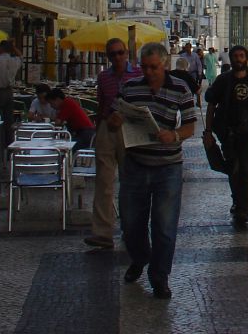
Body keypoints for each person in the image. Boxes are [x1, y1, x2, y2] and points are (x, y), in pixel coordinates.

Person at [107, 42, 198, 300]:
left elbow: (191, 125)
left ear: (165, 64)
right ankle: (140, 256)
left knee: (164, 226)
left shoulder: (180, 88)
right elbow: (115, 117)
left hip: (168, 166)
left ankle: (159, 276)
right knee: (130, 223)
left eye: (154, 67)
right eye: (145, 67)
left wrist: (175, 134)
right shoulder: (131, 88)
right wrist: (114, 121)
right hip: (135, 163)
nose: (149, 72)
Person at [203, 45, 248, 227]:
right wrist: (208, 132)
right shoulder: (223, 81)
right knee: (233, 170)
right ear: (231, 59)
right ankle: (237, 201)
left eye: (242, 56)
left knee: (246, 173)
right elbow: (211, 105)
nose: (239, 59)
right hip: (228, 134)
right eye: (235, 56)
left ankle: (243, 210)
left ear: (247, 59)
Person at [85, 39, 142, 250]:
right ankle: (102, 232)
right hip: (107, 129)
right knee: (103, 181)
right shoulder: (104, 77)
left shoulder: (137, 74)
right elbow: (101, 104)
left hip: (129, 131)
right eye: (112, 54)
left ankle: (130, 229)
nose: (117, 57)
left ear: (126, 53)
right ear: (108, 57)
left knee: (130, 182)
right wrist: (98, 130)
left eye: (119, 53)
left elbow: (141, 104)